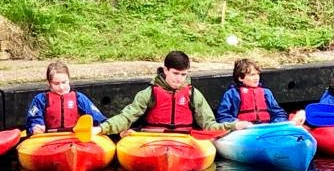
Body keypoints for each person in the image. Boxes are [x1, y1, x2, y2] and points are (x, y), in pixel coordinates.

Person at [99, 51, 250, 135]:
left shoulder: (193, 94)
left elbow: (209, 125)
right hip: (153, 138)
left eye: (183, 75)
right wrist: (101, 128)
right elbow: (126, 117)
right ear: (165, 70)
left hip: (184, 139)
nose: (179, 79)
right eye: (176, 73)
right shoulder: (149, 93)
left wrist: (233, 126)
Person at [25, 61, 107, 135]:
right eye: (56, 83)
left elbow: (99, 119)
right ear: (49, 83)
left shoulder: (79, 98)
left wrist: (102, 127)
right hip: (49, 137)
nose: (61, 87)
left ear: (69, 80)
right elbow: (33, 120)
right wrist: (36, 127)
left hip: (74, 137)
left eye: (64, 82)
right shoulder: (40, 100)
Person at [217, 58, 304, 125]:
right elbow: (223, 116)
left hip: (264, 129)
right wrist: (237, 124)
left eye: (257, 74)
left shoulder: (266, 93)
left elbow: (279, 113)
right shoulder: (232, 94)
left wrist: (276, 124)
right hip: (243, 130)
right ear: (240, 78)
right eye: (252, 75)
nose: (256, 78)